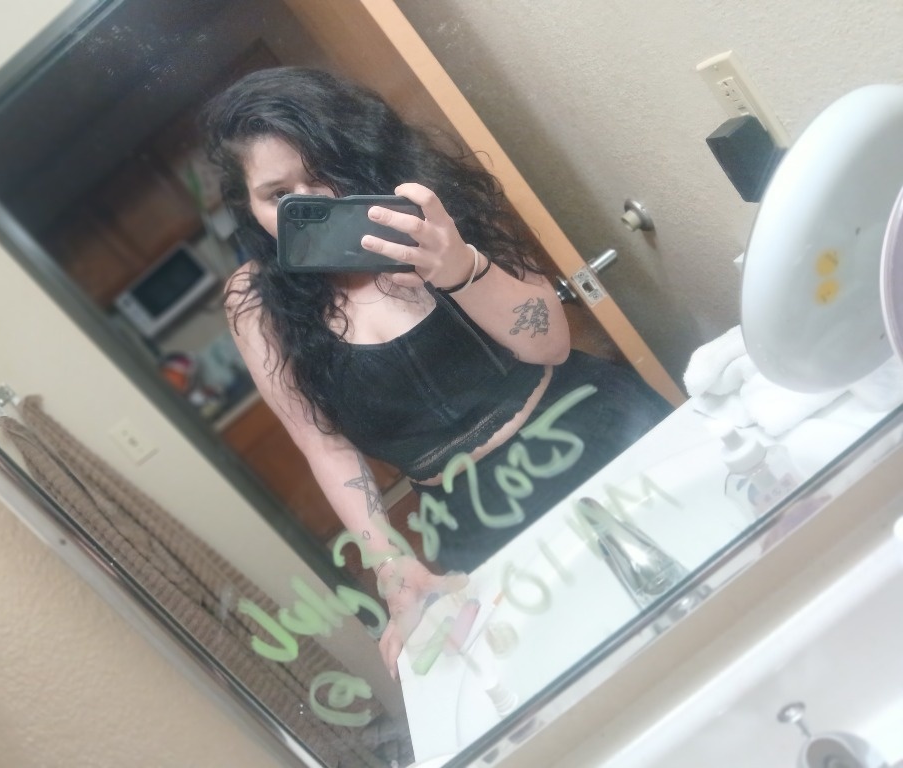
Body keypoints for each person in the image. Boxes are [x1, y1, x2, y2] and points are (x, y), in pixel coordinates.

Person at [202, 67, 671, 678]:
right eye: (278, 194)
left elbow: (550, 344)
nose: (313, 202)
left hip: (596, 433)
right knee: (605, 674)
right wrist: (390, 566)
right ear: (250, 206)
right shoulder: (258, 303)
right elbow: (323, 444)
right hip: (475, 519)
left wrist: (460, 269)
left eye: (322, 171)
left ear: (355, 153)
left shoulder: (425, 213)